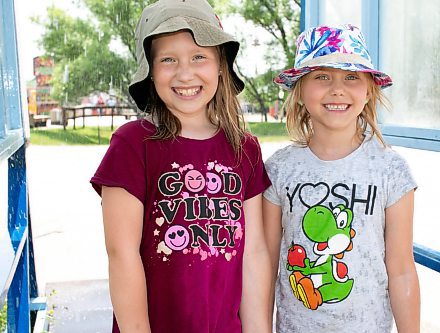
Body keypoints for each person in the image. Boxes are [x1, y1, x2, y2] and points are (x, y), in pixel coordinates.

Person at [90, 1, 272, 332]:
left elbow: (254, 252)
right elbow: (122, 255)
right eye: (168, 59)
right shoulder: (132, 145)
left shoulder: (245, 149)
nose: (185, 73)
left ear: (220, 65)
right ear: (150, 70)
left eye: (198, 56)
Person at [264, 24, 420, 333]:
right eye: (322, 77)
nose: (338, 89)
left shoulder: (391, 170)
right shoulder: (278, 169)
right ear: (300, 90)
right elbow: (265, 266)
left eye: (351, 77)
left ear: (368, 90)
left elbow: (401, 269)